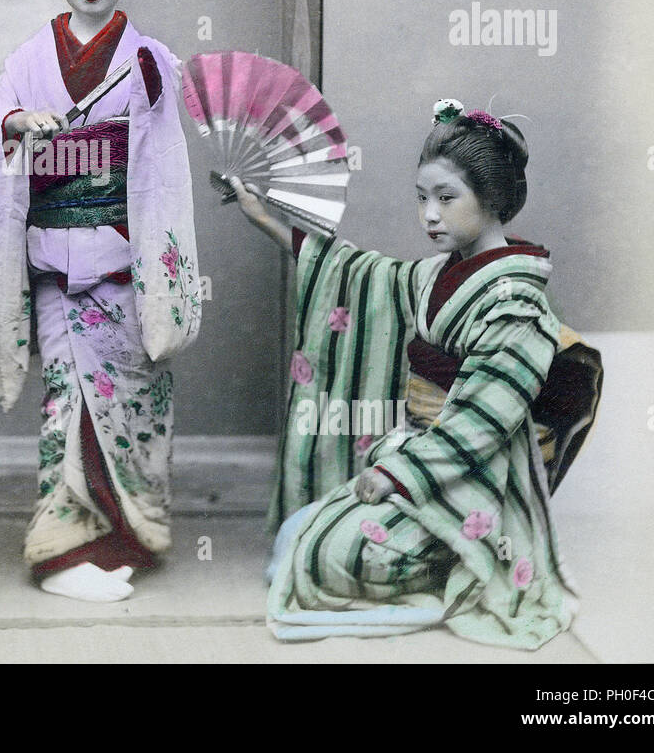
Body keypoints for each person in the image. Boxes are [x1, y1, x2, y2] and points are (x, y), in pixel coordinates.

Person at [233, 99, 578, 649]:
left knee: (329, 554)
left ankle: (462, 562)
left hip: (477, 472)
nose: (430, 216)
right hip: (418, 451)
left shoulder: (517, 302)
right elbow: (358, 275)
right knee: (294, 537)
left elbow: (482, 421)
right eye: (422, 199)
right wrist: (264, 219)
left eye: (446, 198)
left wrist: (399, 475)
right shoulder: (439, 274)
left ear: (490, 199)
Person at [0, 0, 201, 603]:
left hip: (124, 262)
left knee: (132, 403)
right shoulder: (30, 56)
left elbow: (160, 167)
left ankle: (126, 536)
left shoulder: (149, 59)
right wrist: (14, 125)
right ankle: (64, 552)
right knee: (68, 401)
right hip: (56, 264)